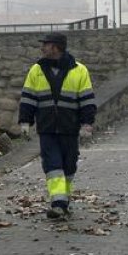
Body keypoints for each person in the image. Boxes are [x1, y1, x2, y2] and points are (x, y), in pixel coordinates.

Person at [18, 32, 96, 220]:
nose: (42, 48)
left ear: (56, 47)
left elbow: (86, 100)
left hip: (70, 127)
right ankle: (58, 202)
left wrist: (87, 123)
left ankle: (64, 199)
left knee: (69, 165)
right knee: (53, 164)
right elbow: (28, 98)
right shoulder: (36, 70)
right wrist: (25, 121)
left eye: (46, 44)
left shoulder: (79, 70)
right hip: (47, 128)